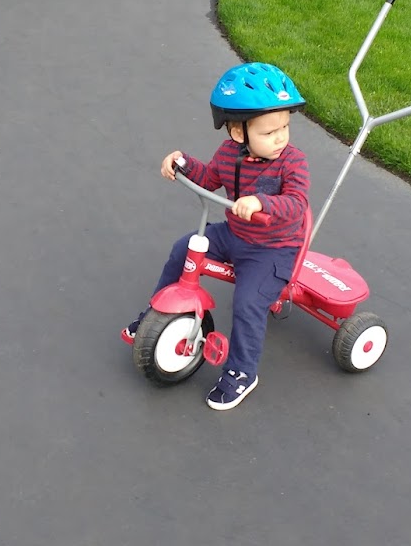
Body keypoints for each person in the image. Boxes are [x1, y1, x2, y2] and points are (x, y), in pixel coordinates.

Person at [122, 63, 310, 411]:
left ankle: (242, 372)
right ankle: (154, 316)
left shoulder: (292, 162)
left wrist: (262, 201)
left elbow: (297, 204)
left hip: (272, 249)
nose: (280, 137)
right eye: (270, 131)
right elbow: (209, 178)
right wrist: (182, 162)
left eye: (285, 126)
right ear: (238, 132)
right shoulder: (228, 153)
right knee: (183, 249)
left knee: (248, 302)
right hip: (234, 233)